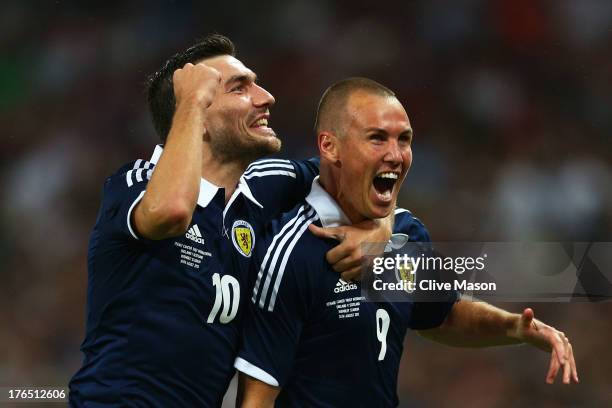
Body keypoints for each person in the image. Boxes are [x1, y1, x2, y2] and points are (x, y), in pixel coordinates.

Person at [69, 35, 391, 407]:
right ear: (196, 117)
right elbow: (171, 212)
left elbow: (361, 169)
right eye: (240, 89)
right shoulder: (136, 183)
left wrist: (379, 227)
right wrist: (190, 99)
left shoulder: (264, 188)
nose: (266, 97)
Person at [234, 78, 579, 407]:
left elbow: (441, 314)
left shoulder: (406, 232)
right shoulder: (292, 251)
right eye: (377, 138)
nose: (396, 155)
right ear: (330, 146)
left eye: (404, 139)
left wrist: (513, 326)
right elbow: (256, 400)